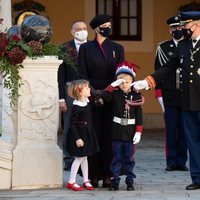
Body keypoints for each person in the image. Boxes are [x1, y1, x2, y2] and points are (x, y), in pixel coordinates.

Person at [132, 11, 200, 190]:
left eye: (186, 26)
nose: (183, 29)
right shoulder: (184, 46)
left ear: (197, 25)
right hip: (187, 101)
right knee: (192, 141)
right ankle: (197, 178)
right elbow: (168, 67)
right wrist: (148, 82)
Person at [78, 14, 125, 187]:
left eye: (109, 25)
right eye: (105, 25)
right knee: (93, 135)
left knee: (109, 136)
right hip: (91, 96)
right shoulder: (86, 49)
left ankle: (109, 174)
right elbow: (82, 72)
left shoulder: (117, 48)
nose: (108, 28)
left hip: (111, 96)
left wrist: (107, 92)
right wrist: (93, 92)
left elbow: (120, 73)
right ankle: (92, 175)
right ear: (97, 29)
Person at [101, 61, 144, 191]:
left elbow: (139, 115)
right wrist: (111, 86)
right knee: (116, 157)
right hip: (116, 130)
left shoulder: (136, 96)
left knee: (129, 158)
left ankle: (130, 181)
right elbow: (103, 96)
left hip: (130, 131)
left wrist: (139, 132)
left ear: (132, 81)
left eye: (127, 80)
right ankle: (115, 181)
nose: (124, 84)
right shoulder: (114, 94)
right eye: (121, 81)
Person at [154, 16, 188, 172]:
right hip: (169, 95)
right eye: (174, 28)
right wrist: (159, 94)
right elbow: (159, 71)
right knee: (171, 129)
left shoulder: (189, 46)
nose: (177, 30)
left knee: (185, 130)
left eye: (179, 27)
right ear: (170, 30)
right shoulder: (163, 48)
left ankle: (182, 161)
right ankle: (171, 161)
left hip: (187, 95)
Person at [58, 20, 88, 170]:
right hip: (70, 91)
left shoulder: (92, 47)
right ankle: (69, 158)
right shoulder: (64, 48)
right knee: (69, 124)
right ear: (72, 32)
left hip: (88, 91)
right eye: (78, 29)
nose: (82, 31)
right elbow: (60, 75)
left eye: (84, 28)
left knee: (88, 124)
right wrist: (61, 98)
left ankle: (87, 156)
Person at [66, 79, 99, 191]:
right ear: (80, 91)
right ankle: (71, 181)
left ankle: (86, 180)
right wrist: (77, 138)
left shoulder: (86, 102)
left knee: (85, 157)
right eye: (87, 88)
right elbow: (72, 124)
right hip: (80, 135)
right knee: (79, 158)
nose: (90, 89)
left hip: (87, 133)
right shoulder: (76, 106)